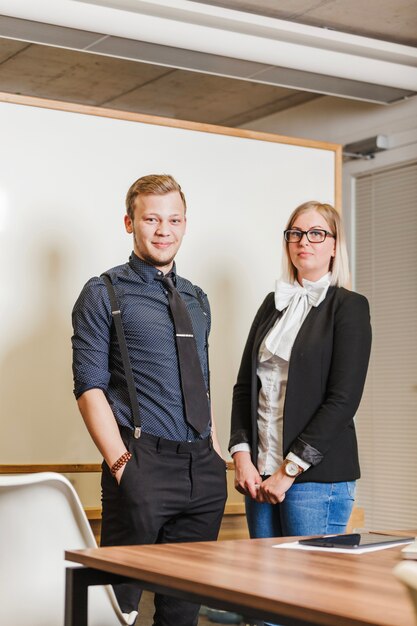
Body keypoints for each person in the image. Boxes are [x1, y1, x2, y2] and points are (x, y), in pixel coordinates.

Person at [72, 174, 227, 626]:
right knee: (116, 610)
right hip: (142, 462)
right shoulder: (104, 293)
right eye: (152, 219)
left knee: (181, 613)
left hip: (202, 468)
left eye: (174, 219)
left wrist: (214, 454)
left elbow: (200, 382)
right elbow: (89, 387)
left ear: (185, 224)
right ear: (129, 222)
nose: (164, 229)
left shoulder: (197, 299)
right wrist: (123, 466)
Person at [229, 200, 371, 542]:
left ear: (335, 245)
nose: (304, 241)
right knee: (264, 592)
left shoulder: (349, 307)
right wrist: (242, 459)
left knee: (310, 591)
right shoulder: (272, 304)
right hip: (259, 476)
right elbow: (245, 388)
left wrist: (288, 471)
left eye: (316, 233)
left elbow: (342, 402)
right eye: (296, 233)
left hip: (316, 480)